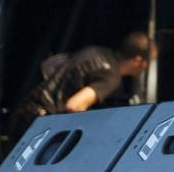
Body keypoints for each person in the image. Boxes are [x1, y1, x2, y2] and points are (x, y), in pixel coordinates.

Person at [9, 31, 152, 135]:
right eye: (149, 62)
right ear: (138, 60)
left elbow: (49, 66)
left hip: (25, 109)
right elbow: (74, 106)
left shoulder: (96, 51)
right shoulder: (111, 77)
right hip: (41, 124)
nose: (148, 67)